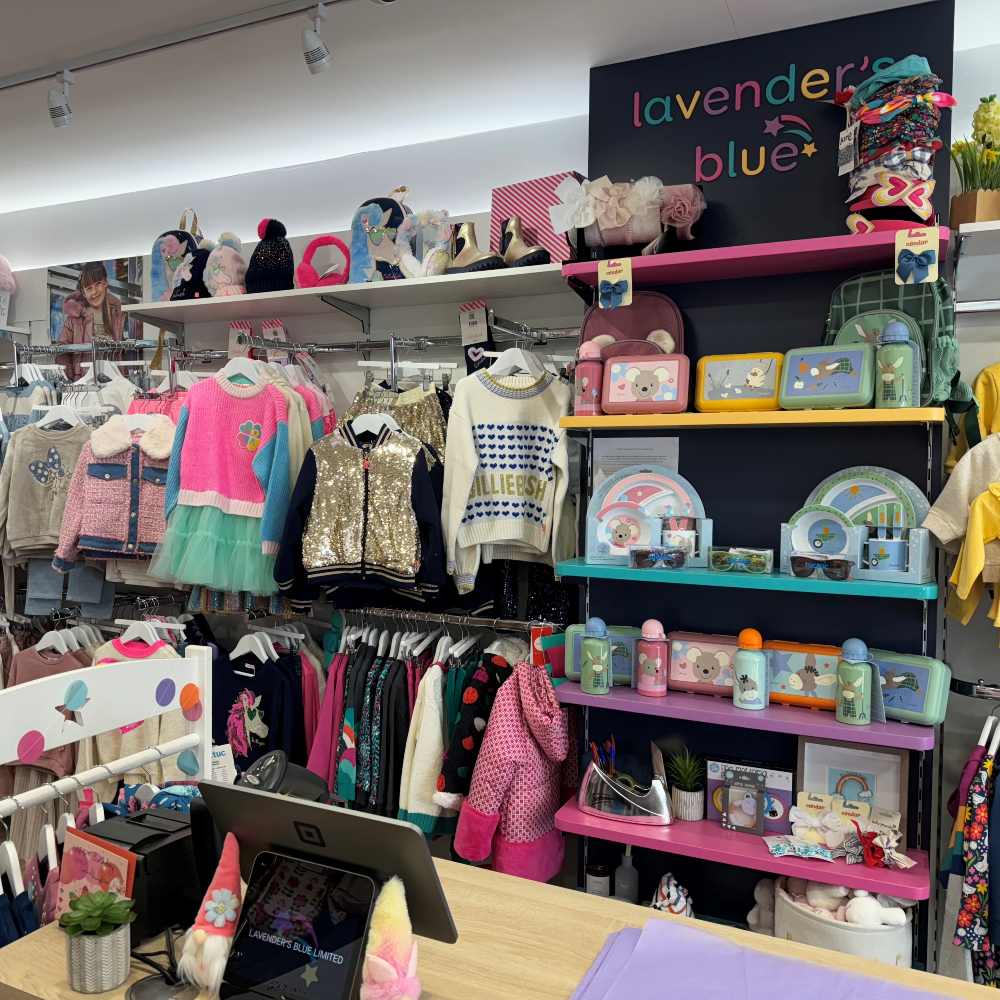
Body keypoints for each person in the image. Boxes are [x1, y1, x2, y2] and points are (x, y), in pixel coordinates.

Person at [57, 262, 125, 380]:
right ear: (83, 292)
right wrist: (71, 381)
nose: (94, 292)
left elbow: (124, 351)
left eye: (98, 284)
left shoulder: (118, 313)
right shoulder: (73, 319)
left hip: (113, 378)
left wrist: (124, 375)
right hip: (84, 380)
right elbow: (62, 353)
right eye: (89, 288)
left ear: (105, 283)